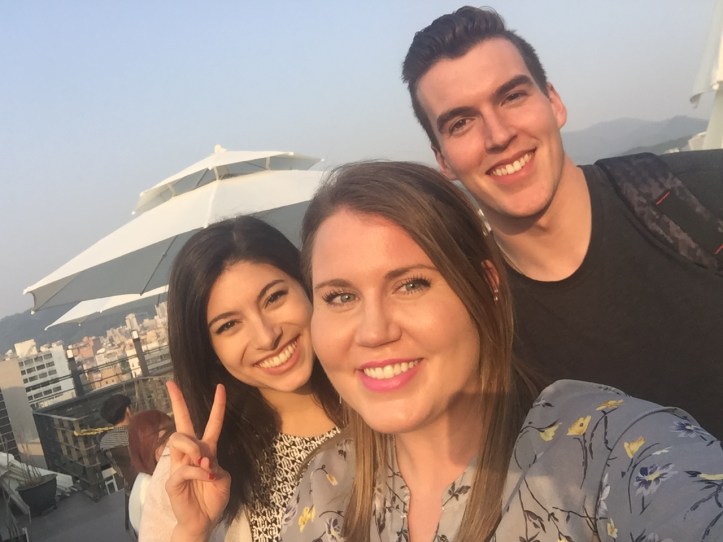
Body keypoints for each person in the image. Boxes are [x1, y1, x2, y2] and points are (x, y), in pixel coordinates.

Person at [279, 161, 723, 541]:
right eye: (340, 296)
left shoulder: (603, 448)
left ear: (487, 285)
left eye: (411, 284)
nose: (374, 331)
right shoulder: (325, 485)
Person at [400, 7, 723, 438]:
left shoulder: (697, 197)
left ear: (554, 102)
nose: (498, 135)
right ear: (443, 160)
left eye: (512, 97)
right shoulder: (480, 327)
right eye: (461, 123)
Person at [138, 215, 344, 542]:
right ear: (209, 350)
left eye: (274, 298)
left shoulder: (378, 398)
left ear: (307, 286)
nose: (266, 337)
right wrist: (193, 530)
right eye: (229, 325)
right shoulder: (191, 464)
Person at [127, 409, 175, 532]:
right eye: (165, 440)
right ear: (146, 447)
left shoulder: (144, 480)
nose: (175, 444)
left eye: (175, 434)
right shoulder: (159, 492)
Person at [99, 394, 138, 491]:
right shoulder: (140, 433)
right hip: (155, 487)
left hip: (132, 492)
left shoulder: (104, 443)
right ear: (128, 410)